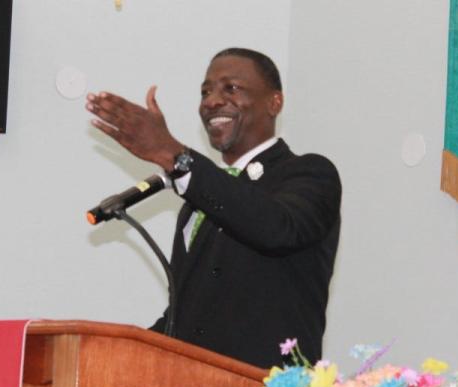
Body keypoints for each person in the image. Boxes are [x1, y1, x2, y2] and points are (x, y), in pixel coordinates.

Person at [86, 48, 341, 368]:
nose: (211, 101)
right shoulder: (200, 201)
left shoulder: (310, 174)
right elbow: (189, 315)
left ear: (274, 103)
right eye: (206, 92)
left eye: (231, 88)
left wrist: (174, 155)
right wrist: (113, 354)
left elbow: (277, 229)